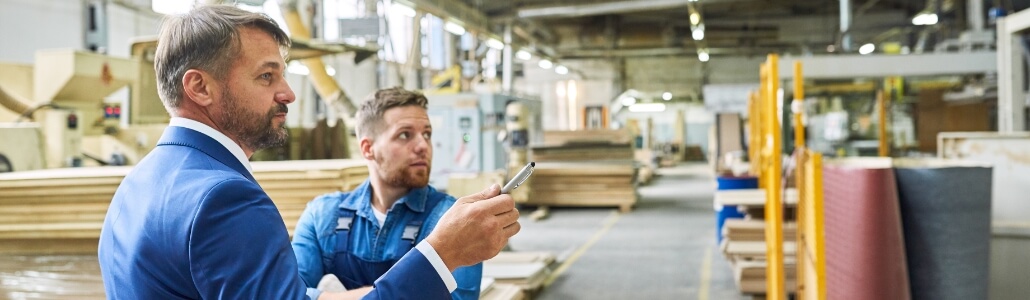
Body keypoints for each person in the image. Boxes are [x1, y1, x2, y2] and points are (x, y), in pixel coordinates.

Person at [97, 5, 520, 300]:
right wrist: (442, 251)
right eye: (266, 76)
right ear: (199, 87)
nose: (288, 93)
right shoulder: (223, 199)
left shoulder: (139, 182)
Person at [291, 88, 480, 299]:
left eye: (426, 134)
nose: (423, 145)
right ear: (367, 149)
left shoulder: (454, 220)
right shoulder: (322, 215)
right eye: (404, 135)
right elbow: (291, 294)